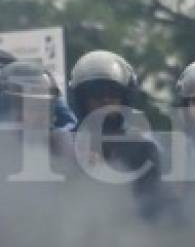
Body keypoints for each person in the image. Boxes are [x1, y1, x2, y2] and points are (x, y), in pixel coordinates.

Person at [66, 50, 165, 216]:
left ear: (124, 97)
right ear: (82, 99)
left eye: (113, 92)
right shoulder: (65, 145)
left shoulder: (141, 148)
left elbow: (152, 207)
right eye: (96, 93)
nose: (105, 100)